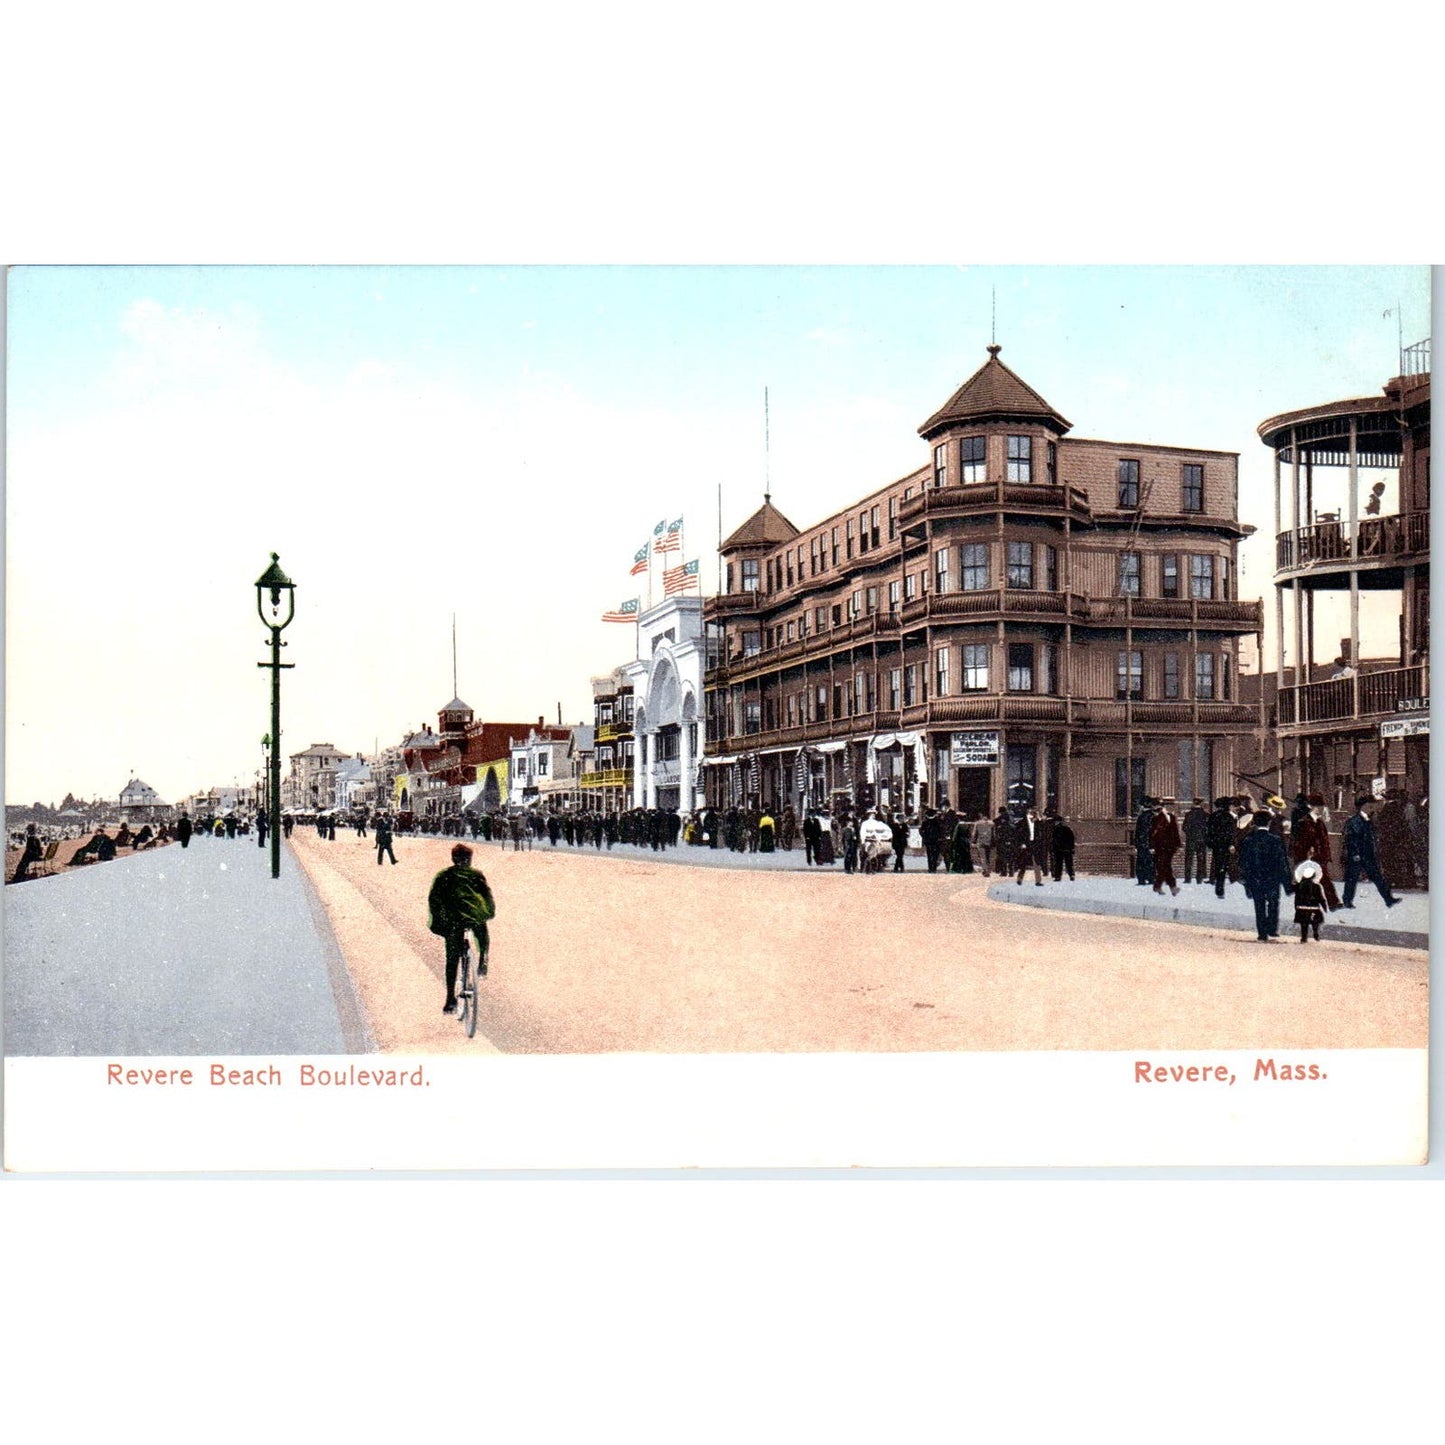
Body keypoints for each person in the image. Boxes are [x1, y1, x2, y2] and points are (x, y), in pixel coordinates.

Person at [427, 842, 496, 1015]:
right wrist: (488, 913)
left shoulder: (443, 875)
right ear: (469, 860)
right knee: (482, 932)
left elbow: (434, 899)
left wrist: (438, 923)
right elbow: (487, 896)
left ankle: (450, 999)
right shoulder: (476, 874)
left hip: (453, 920)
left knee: (452, 959)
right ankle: (483, 959)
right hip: (473, 916)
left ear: (453, 859)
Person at [1238, 810, 1294, 942]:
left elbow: (1243, 862)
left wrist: (1245, 880)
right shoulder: (1276, 840)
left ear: (1255, 823)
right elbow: (1282, 862)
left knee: (1259, 905)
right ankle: (1272, 929)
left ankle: (1262, 933)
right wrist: (1287, 883)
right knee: (1273, 903)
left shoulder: (1248, 840)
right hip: (1272, 878)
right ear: (1269, 823)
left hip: (1255, 878)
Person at [1340, 796, 1400, 909]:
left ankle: (1388, 899)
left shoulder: (1368, 820)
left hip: (1368, 855)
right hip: (1357, 855)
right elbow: (1351, 840)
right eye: (1370, 806)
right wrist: (1355, 854)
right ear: (1364, 806)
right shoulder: (1354, 821)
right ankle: (1347, 901)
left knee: (1378, 877)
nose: (1372, 808)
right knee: (1352, 879)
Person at [1290, 796, 1339, 910]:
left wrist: (1326, 855)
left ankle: (1333, 903)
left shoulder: (1320, 822)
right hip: (1309, 858)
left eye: (1322, 807)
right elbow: (1300, 842)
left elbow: (1324, 841)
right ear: (1311, 807)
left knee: (1324, 880)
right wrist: (1306, 856)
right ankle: (1330, 903)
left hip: (1319, 858)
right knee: (1309, 881)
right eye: (1318, 807)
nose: (1321, 810)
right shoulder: (1304, 822)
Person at [1150, 800, 1182, 897]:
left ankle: (1163, 886)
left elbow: (1175, 831)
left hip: (1168, 846)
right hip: (1159, 846)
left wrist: (1178, 844)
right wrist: (1151, 846)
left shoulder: (1170, 817)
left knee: (1165, 867)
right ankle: (1168, 887)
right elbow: (1151, 834)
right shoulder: (1154, 818)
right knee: (1164, 867)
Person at [1206, 797, 1237, 898]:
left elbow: (1208, 831)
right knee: (1225, 866)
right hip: (1226, 845)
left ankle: (1219, 889)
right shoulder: (1229, 817)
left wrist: (1210, 843)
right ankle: (1222, 887)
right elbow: (1232, 832)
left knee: (1219, 866)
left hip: (1216, 845)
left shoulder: (1212, 816)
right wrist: (1232, 844)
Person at [1293, 860, 1327, 944]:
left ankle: (1304, 937)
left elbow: (1296, 898)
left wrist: (1296, 906)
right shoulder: (1316, 886)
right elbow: (1320, 898)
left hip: (1302, 908)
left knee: (1304, 924)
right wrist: (1324, 906)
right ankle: (1316, 933)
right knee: (1315, 922)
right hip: (1313, 908)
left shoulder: (1299, 886)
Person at [1013, 808, 1045, 886]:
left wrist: (1039, 819)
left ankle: (1038, 881)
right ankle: (1019, 879)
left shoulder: (1037, 822)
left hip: (1034, 844)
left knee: (1036, 863)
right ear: (1029, 814)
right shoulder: (1022, 822)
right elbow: (1018, 834)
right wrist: (1021, 843)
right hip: (1026, 844)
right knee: (1023, 863)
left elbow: (1042, 830)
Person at [1182, 799, 1209, 884]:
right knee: (1200, 859)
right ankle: (1199, 878)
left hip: (1191, 840)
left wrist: (1190, 834)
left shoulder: (1188, 814)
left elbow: (1184, 827)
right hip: (1201, 840)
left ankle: (1187, 878)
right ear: (1201, 804)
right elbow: (1208, 828)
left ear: (1193, 803)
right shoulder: (1205, 815)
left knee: (1189, 859)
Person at [1050, 816, 1075, 881]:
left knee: (1058, 863)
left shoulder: (1055, 830)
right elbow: (1071, 839)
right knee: (1069, 863)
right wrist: (1072, 848)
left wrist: (1053, 848)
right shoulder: (1067, 829)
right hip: (1067, 849)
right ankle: (1071, 874)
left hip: (1058, 850)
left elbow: (1053, 841)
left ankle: (1058, 876)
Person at [972, 812, 994, 877]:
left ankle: (986, 870)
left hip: (980, 842)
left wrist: (973, 841)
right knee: (988, 856)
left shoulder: (977, 823)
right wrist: (993, 842)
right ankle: (987, 869)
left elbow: (974, 833)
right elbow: (993, 834)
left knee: (982, 857)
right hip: (989, 842)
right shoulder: (992, 823)